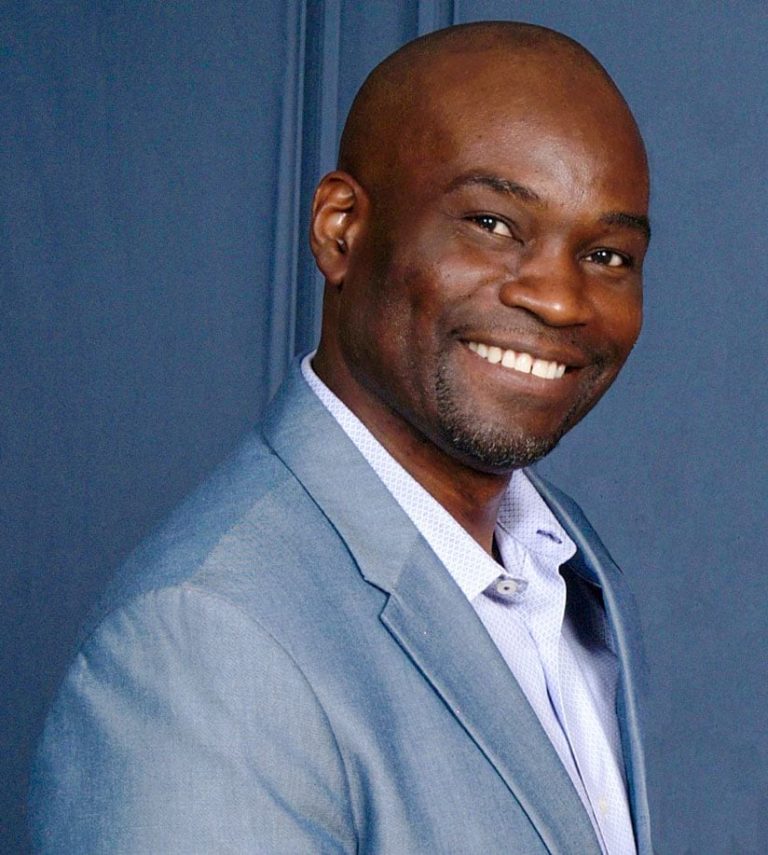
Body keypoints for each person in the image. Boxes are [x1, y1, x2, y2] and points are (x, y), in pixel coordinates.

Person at [31, 21, 653, 855]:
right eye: (493, 223)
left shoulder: (569, 564)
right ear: (340, 229)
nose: (561, 299)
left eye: (608, 255)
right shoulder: (205, 644)